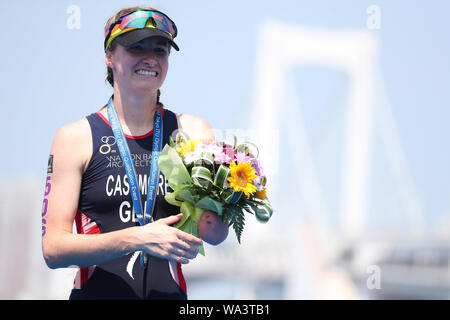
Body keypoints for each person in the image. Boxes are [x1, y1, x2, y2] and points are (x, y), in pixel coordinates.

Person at [42, 6, 228, 300]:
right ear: (109, 56)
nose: (150, 59)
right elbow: (53, 249)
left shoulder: (192, 131)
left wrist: (232, 199)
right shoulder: (75, 138)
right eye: (136, 47)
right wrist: (137, 238)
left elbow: (214, 236)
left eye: (160, 50)